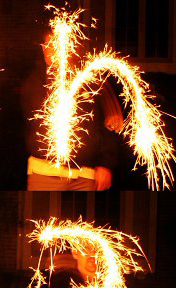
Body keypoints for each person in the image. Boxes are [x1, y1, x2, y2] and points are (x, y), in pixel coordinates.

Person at [22, 30, 124, 191]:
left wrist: (106, 164)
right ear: (43, 49)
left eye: (60, 45)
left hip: (86, 175)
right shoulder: (32, 85)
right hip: (44, 174)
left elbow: (110, 126)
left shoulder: (92, 81)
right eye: (49, 46)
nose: (54, 51)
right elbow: (29, 127)